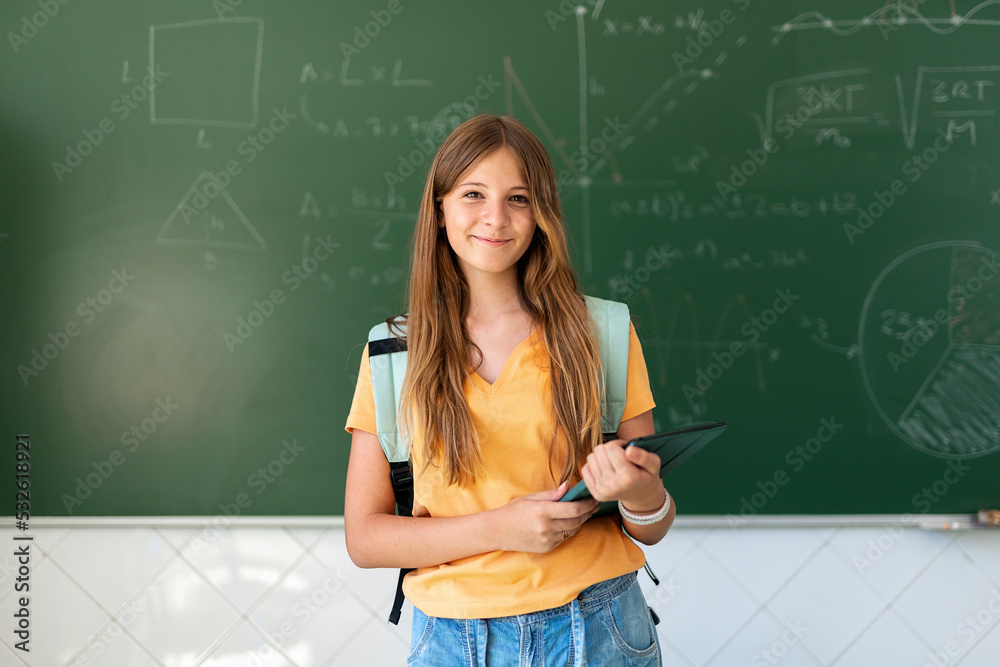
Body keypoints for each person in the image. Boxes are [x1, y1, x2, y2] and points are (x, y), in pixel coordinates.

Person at [344, 114, 674, 666]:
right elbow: (366, 538)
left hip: (599, 627)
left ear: (541, 214)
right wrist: (500, 527)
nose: (496, 218)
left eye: (518, 198)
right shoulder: (393, 353)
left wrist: (640, 494)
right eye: (473, 194)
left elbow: (652, 523)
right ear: (440, 208)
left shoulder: (605, 334)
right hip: (452, 641)